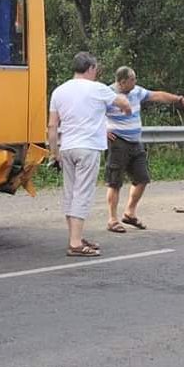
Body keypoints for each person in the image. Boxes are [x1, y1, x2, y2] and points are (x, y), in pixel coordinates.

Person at [48, 52, 131, 257]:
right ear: (91, 68)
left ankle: (74, 236)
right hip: (88, 147)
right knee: (82, 193)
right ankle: (76, 244)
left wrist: (53, 153)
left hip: (67, 147)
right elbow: (122, 102)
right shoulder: (98, 89)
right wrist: (127, 109)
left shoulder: (59, 91)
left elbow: (51, 125)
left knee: (70, 192)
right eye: (96, 69)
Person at [104, 66, 184, 233]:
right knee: (115, 182)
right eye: (133, 80)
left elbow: (158, 95)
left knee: (142, 178)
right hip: (118, 141)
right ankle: (112, 219)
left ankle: (130, 212)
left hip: (135, 141)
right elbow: (93, 113)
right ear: (123, 81)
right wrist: (102, 129)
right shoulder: (107, 93)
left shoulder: (137, 91)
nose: (136, 82)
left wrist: (180, 100)